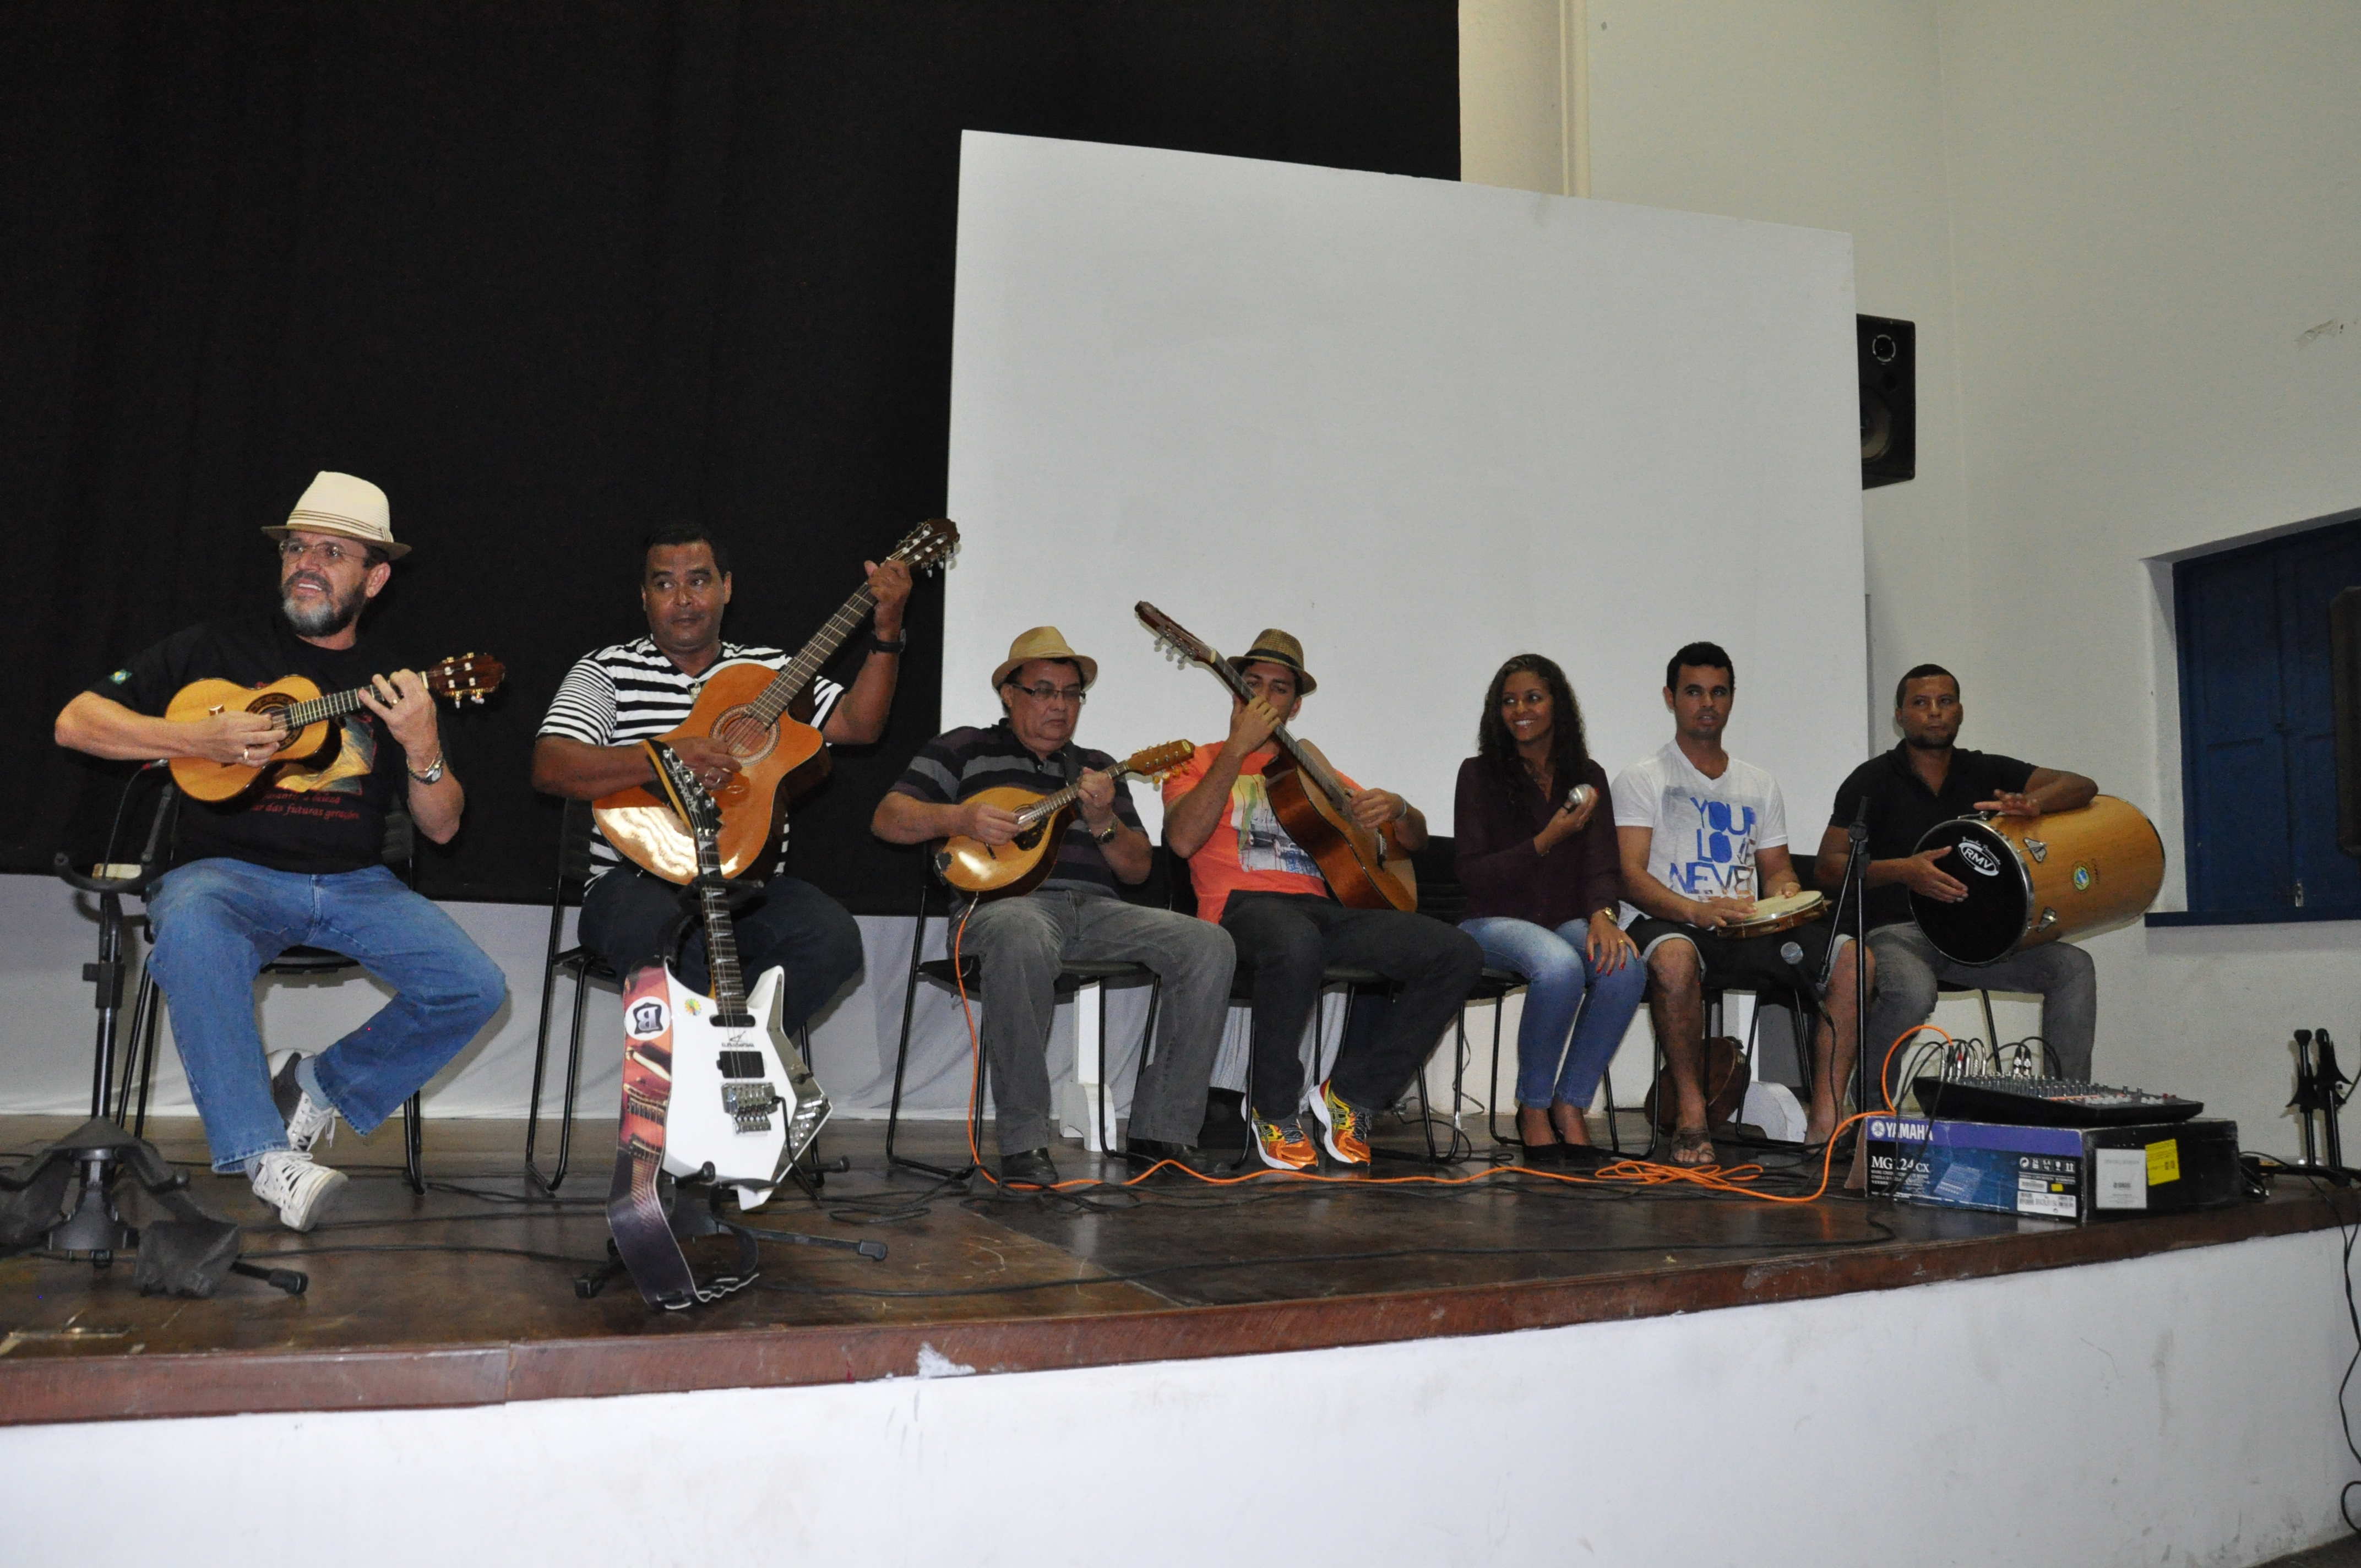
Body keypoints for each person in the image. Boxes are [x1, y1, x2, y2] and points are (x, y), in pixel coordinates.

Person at [53, 472, 505, 1230]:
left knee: (475, 986)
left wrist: (424, 747)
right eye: (298, 547)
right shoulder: (211, 648)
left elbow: (443, 829)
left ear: (376, 578)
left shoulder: (396, 682)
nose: (307, 564)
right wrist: (194, 738)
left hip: (356, 882)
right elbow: (76, 721)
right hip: (223, 876)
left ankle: (316, 1088)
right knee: (193, 930)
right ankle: (266, 1159)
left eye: (332, 552)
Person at [872, 627, 1237, 1188]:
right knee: (1022, 928)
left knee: (1208, 943)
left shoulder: (1098, 768)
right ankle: (1024, 1141)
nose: (1059, 705)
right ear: (1009, 694)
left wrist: (1103, 820)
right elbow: (888, 818)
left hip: (1095, 913)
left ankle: (1162, 1131)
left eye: (1071, 694)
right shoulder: (964, 747)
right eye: (1043, 691)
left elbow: (1137, 869)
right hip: (1000, 910)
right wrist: (959, 818)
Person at [531, 522, 910, 1037]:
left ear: (727, 587)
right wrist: (665, 760)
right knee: (662, 933)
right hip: (634, 885)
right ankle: (704, 1070)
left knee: (832, 937)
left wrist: (887, 633)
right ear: (644, 597)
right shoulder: (606, 671)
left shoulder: (771, 671)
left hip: (747, 888)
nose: (683, 599)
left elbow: (858, 725)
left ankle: (739, 1052)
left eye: (699, 581)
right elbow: (550, 766)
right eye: (664, 584)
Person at [1163, 629, 1483, 1174]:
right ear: (1235, 692)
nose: (1265, 696)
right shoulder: (1197, 760)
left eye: (1280, 688)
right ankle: (1273, 1109)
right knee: (1294, 939)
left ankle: (1353, 1095)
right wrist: (1237, 751)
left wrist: (1400, 809)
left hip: (1320, 914)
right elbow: (1181, 840)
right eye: (1253, 683)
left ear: (1295, 705)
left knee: (1457, 952)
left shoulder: (1315, 770)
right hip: (1236, 910)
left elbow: (1411, 841)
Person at [1612, 641, 1872, 1164]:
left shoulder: (1760, 784)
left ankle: (1826, 1118)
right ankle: (1692, 1115)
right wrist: (1694, 911)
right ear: (1670, 698)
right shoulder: (1643, 778)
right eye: (1694, 692)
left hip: (1744, 927)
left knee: (1853, 959)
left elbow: (1777, 870)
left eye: (1719, 692)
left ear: (1731, 698)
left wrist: (1785, 893)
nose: (1707, 703)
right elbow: (1629, 877)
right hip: (1669, 922)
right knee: (1675, 959)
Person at [1816, 664, 2098, 1099]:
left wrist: (2034, 803)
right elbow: (1828, 867)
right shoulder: (1871, 781)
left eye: (1945, 702)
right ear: (1900, 715)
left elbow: (2082, 786)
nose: (1934, 712)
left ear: (1960, 712)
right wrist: (1904, 870)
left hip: (1983, 941)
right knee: (1912, 993)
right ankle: (1870, 1109)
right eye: (1920, 703)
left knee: (2073, 967)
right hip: (1900, 934)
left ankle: (2065, 1106)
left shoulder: (1986, 771)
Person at [1453, 654, 1644, 1162]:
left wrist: (1603, 916)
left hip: (1563, 920)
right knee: (1558, 967)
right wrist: (1546, 840)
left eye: (1533, 698)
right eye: (1509, 701)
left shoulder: (1587, 776)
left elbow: (1602, 863)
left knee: (1624, 967)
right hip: (1490, 921)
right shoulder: (1478, 775)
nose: (1520, 710)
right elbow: (1473, 873)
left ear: (1557, 705)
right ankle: (1533, 1108)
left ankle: (1571, 1103)